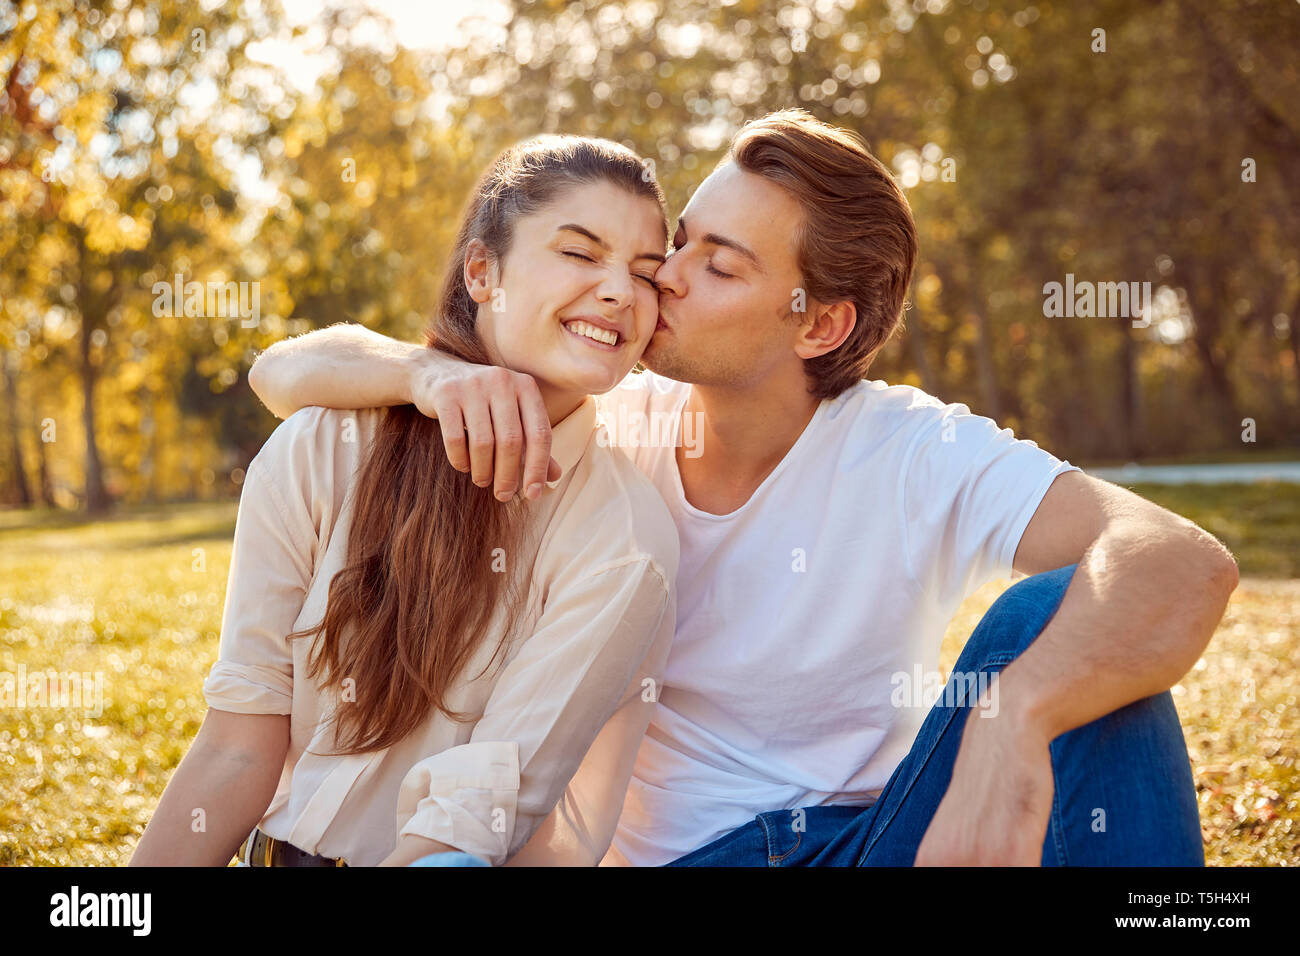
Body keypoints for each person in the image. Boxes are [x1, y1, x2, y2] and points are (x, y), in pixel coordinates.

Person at [247, 110, 1239, 867]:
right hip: (667, 860)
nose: (660, 280)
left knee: (1065, 628)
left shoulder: (909, 449)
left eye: (713, 265)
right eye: (677, 242)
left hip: (866, 842)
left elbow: (1178, 561)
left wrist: (1010, 720)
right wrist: (428, 374)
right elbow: (286, 369)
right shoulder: (607, 409)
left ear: (817, 324)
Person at [129, 135, 680, 868]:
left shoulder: (624, 539)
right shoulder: (322, 448)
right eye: (580, 254)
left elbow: (464, 826)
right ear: (483, 271)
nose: (619, 291)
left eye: (646, 274)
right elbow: (237, 748)